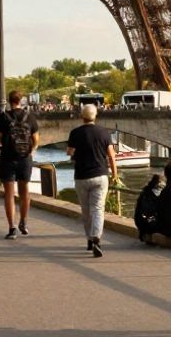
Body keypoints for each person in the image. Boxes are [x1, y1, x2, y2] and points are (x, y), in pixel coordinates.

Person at [66, 104, 117, 257]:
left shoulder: (75, 133)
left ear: (82, 116)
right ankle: (96, 238)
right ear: (96, 116)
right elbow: (111, 156)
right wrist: (114, 173)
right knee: (98, 209)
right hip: (100, 175)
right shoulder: (104, 133)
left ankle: (89, 240)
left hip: (81, 176)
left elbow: (69, 152)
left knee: (86, 210)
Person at [0, 89, 39, 240]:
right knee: (25, 192)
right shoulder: (30, 117)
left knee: (9, 194)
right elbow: (36, 140)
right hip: (25, 158)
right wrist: (31, 151)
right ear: (21, 100)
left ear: (9, 100)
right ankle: (24, 222)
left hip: (8, 158)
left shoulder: (3, 117)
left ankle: (11, 227)